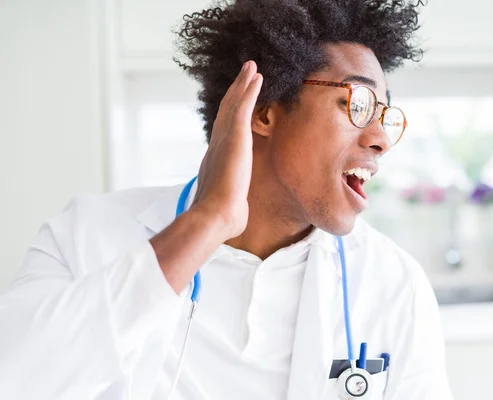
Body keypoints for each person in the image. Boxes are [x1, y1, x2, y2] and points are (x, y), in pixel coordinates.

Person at [0, 0, 453, 399]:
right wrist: (208, 220)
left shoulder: (392, 283)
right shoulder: (85, 237)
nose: (380, 139)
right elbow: (15, 378)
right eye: (357, 103)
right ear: (263, 111)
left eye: (384, 114)